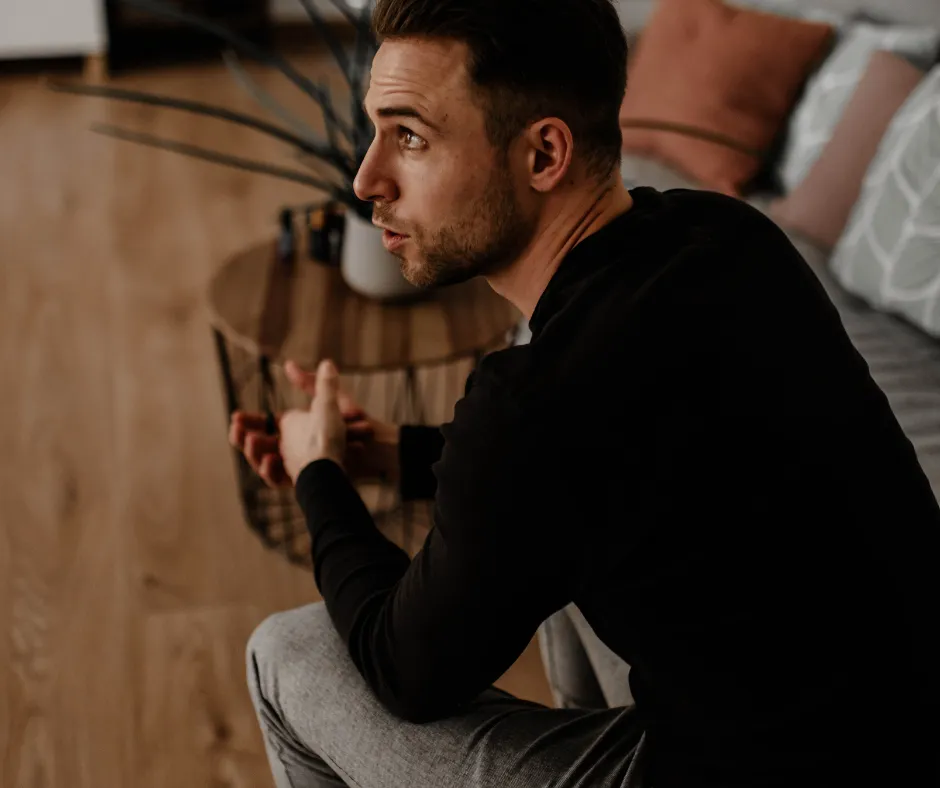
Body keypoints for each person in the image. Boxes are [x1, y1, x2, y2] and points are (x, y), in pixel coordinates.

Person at [229, 0, 940, 786]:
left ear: (543, 154)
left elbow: (405, 671)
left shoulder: (535, 405)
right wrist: (400, 455)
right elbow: (599, 461)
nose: (367, 179)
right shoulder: (731, 238)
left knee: (284, 654)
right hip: (904, 725)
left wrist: (320, 473)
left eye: (411, 138)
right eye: (375, 131)